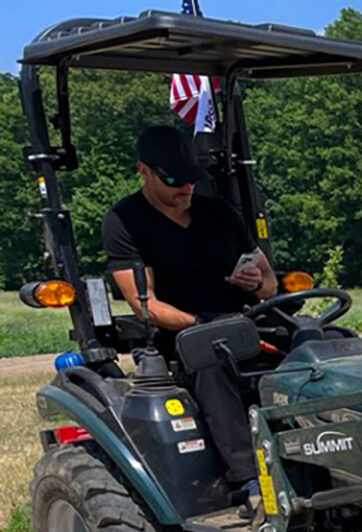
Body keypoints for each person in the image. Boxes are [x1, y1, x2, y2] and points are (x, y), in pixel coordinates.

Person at [102, 124, 278, 500]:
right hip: (178, 331)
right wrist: (202, 326)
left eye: (191, 180)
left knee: (319, 340)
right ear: (143, 171)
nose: (186, 189)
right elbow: (143, 303)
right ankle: (250, 478)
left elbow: (268, 280)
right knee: (209, 360)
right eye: (173, 181)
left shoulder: (220, 214)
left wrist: (255, 283)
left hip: (240, 318)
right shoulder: (124, 222)